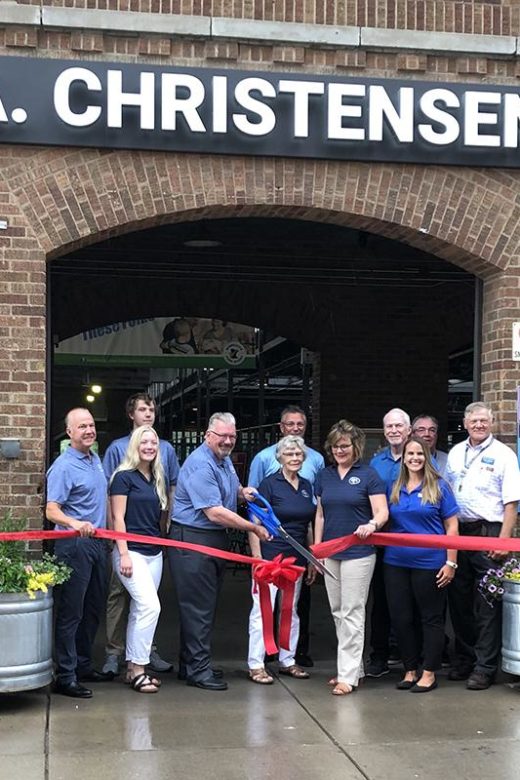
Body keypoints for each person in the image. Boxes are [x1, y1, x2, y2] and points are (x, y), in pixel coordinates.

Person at [168, 412, 270, 691]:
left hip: (210, 540)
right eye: (222, 436)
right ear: (207, 436)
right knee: (198, 607)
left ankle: (192, 665)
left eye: (231, 436)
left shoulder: (223, 462)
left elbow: (231, 490)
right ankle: (198, 671)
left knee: (202, 606)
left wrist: (243, 493)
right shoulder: (202, 465)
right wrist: (254, 527)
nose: (227, 441)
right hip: (194, 540)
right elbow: (214, 513)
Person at [102, 393, 180, 677]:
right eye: (142, 409)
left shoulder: (160, 468)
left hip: (153, 548)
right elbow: (114, 507)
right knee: (139, 602)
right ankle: (115, 654)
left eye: (152, 409)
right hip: (127, 547)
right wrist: (118, 544)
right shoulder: (119, 463)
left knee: (143, 606)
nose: (149, 413)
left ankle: (138, 662)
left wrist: (166, 531)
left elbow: (170, 494)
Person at [445, 401, 520, 690]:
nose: (478, 425)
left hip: (489, 533)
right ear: (465, 423)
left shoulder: (503, 455)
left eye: (483, 421)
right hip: (459, 533)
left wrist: (504, 540)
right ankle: (464, 659)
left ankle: (485, 667)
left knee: (487, 603)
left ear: (492, 423)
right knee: (459, 600)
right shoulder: (455, 453)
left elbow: (511, 502)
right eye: (473, 421)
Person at [314, 420, 388, 696]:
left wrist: (373, 524)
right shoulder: (324, 476)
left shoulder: (369, 475)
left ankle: (347, 675)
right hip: (331, 552)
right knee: (337, 611)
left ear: (355, 447)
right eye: (335, 446)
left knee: (352, 611)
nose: (339, 451)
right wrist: (317, 548)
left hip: (359, 552)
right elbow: (320, 513)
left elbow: (382, 511)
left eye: (344, 446)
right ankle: (352, 667)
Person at [248, 405, 324, 667]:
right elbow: (255, 523)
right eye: (289, 453)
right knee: (263, 611)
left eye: (298, 453)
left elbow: (310, 523)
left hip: (296, 558)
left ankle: (287, 659)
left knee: (290, 611)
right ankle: (256, 663)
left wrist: (313, 555)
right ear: (279, 457)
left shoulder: (306, 486)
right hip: (270, 556)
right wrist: (256, 557)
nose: (294, 457)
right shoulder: (268, 485)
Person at [384, 436, 459, 692]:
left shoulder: (440, 487)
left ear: (427, 457)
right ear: (403, 457)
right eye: (410, 454)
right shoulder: (395, 487)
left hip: (430, 563)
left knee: (431, 618)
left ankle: (429, 672)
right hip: (395, 562)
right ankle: (410, 669)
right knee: (402, 618)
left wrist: (451, 562)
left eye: (419, 454)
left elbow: (452, 526)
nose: (414, 458)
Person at [46, 408, 111, 699]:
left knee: (93, 609)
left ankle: (84, 665)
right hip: (74, 545)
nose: (88, 430)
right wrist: (74, 523)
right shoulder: (63, 466)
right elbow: (51, 510)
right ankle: (66, 675)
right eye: (82, 426)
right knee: (71, 611)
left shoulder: (95, 459)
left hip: (98, 543)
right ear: (69, 432)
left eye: (91, 424)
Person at [109, 425, 168, 694]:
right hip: (130, 552)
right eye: (144, 442)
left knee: (139, 611)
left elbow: (159, 517)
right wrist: (122, 553)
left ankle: (132, 667)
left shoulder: (156, 477)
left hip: (154, 553)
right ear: (135, 445)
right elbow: (117, 518)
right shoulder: (123, 477)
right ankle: (141, 668)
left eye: (153, 443)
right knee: (150, 607)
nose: (149, 447)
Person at [366, 407, 412, 678]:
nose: (394, 431)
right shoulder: (376, 463)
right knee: (381, 602)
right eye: (389, 426)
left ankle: (411, 659)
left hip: (415, 541)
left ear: (408, 430)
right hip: (383, 542)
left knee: (412, 602)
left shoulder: (419, 458)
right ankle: (379, 656)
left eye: (399, 426)